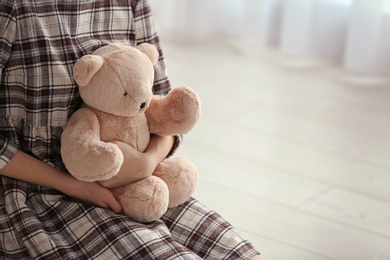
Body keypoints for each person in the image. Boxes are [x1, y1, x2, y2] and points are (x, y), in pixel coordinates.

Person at [0, 0, 261, 259]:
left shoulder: (130, 3)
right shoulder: (14, 8)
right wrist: (73, 185)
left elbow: (160, 107)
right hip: (36, 193)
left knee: (242, 255)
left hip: (143, 184)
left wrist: (147, 162)